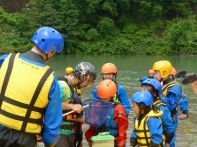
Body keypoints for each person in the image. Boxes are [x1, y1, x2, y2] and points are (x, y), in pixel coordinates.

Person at [0, 27, 64, 147]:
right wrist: (49, 142)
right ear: (51, 52)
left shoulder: (5, 60)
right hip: (25, 140)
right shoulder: (50, 78)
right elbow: (52, 123)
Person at [56, 62, 97, 147]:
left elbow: (70, 114)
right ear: (85, 77)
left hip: (69, 132)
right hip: (58, 133)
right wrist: (72, 106)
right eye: (88, 82)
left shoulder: (71, 86)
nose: (87, 85)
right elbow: (52, 104)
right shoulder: (62, 85)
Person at [85, 79, 128, 147]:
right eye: (101, 98)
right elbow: (92, 127)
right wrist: (90, 139)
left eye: (105, 98)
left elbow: (122, 132)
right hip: (98, 141)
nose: (103, 100)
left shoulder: (119, 109)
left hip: (113, 142)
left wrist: (120, 145)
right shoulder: (97, 106)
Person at [152, 60, 183, 147]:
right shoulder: (162, 83)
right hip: (160, 117)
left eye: (156, 73)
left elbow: (170, 106)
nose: (154, 76)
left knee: (168, 141)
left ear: (164, 73)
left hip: (170, 119)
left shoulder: (175, 87)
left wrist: (160, 93)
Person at [140, 78, 175, 147]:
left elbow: (170, 127)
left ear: (155, 94)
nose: (144, 95)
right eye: (142, 92)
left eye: (147, 92)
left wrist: (168, 143)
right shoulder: (141, 106)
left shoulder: (161, 108)